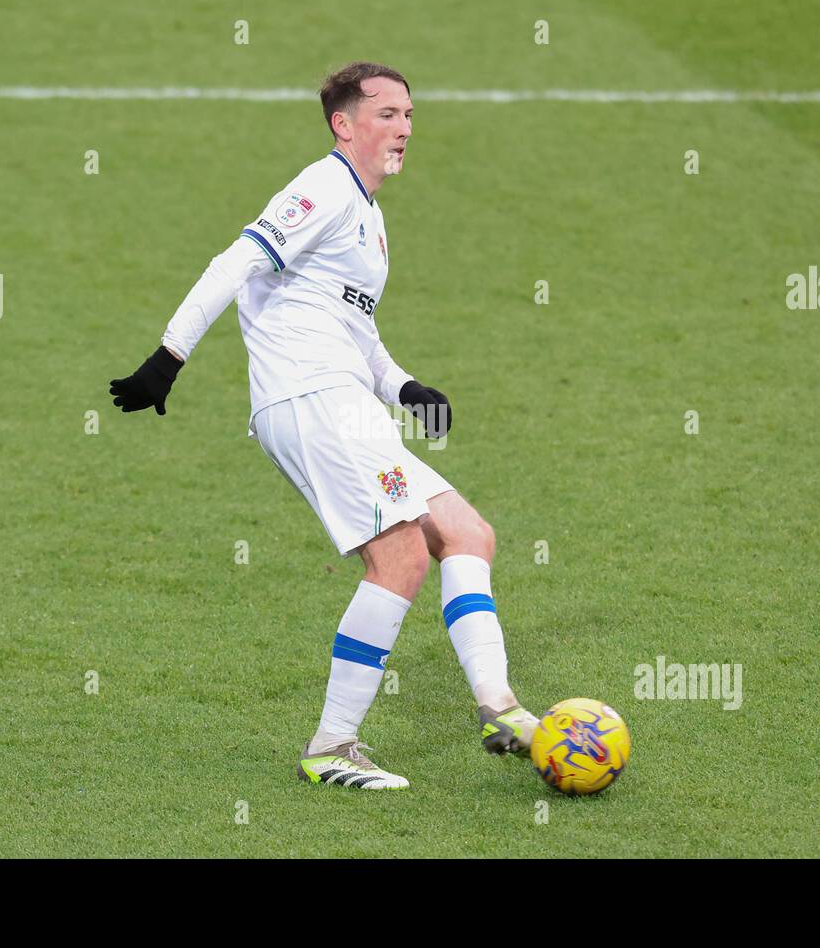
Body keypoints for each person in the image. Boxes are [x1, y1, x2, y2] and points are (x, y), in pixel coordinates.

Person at [109, 61, 536, 790]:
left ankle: (499, 706)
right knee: (400, 559)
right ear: (344, 124)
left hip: (346, 398)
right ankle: (333, 745)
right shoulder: (323, 188)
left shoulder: (368, 214)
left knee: (467, 534)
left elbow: (352, 325)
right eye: (386, 115)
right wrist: (168, 357)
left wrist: (403, 386)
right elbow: (236, 261)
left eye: (408, 114)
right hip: (311, 400)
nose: (403, 128)